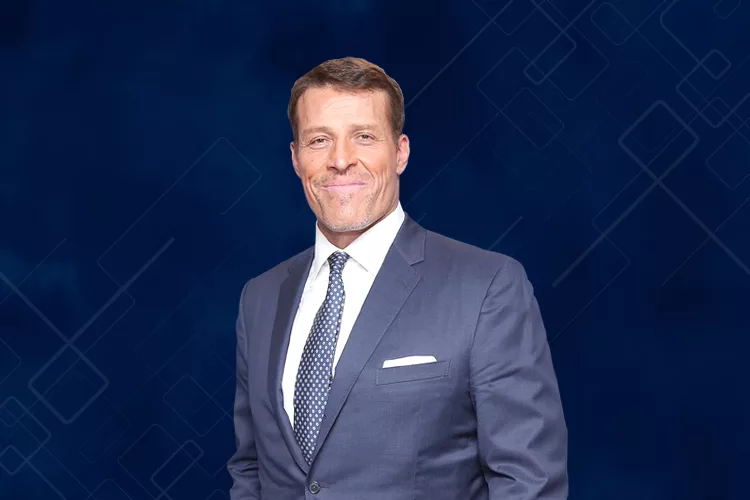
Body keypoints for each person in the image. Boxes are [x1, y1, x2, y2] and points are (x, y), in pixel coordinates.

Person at [227, 56, 568, 499]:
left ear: (401, 151)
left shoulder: (487, 287)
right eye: (319, 140)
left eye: (364, 137)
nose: (341, 160)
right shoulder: (260, 298)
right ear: (295, 158)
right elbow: (250, 468)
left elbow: (528, 482)